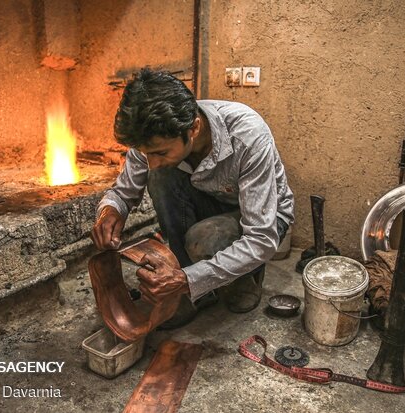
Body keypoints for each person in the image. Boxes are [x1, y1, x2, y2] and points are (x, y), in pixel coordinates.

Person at [91, 68, 294, 327]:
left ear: (194, 128)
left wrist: (187, 280)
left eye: (160, 152)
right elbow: (123, 192)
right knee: (160, 176)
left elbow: (260, 238)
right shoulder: (151, 139)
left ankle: (243, 278)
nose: (150, 162)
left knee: (205, 239)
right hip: (210, 199)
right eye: (146, 154)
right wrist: (110, 211)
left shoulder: (248, 135)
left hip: (260, 216)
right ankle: (192, 285)